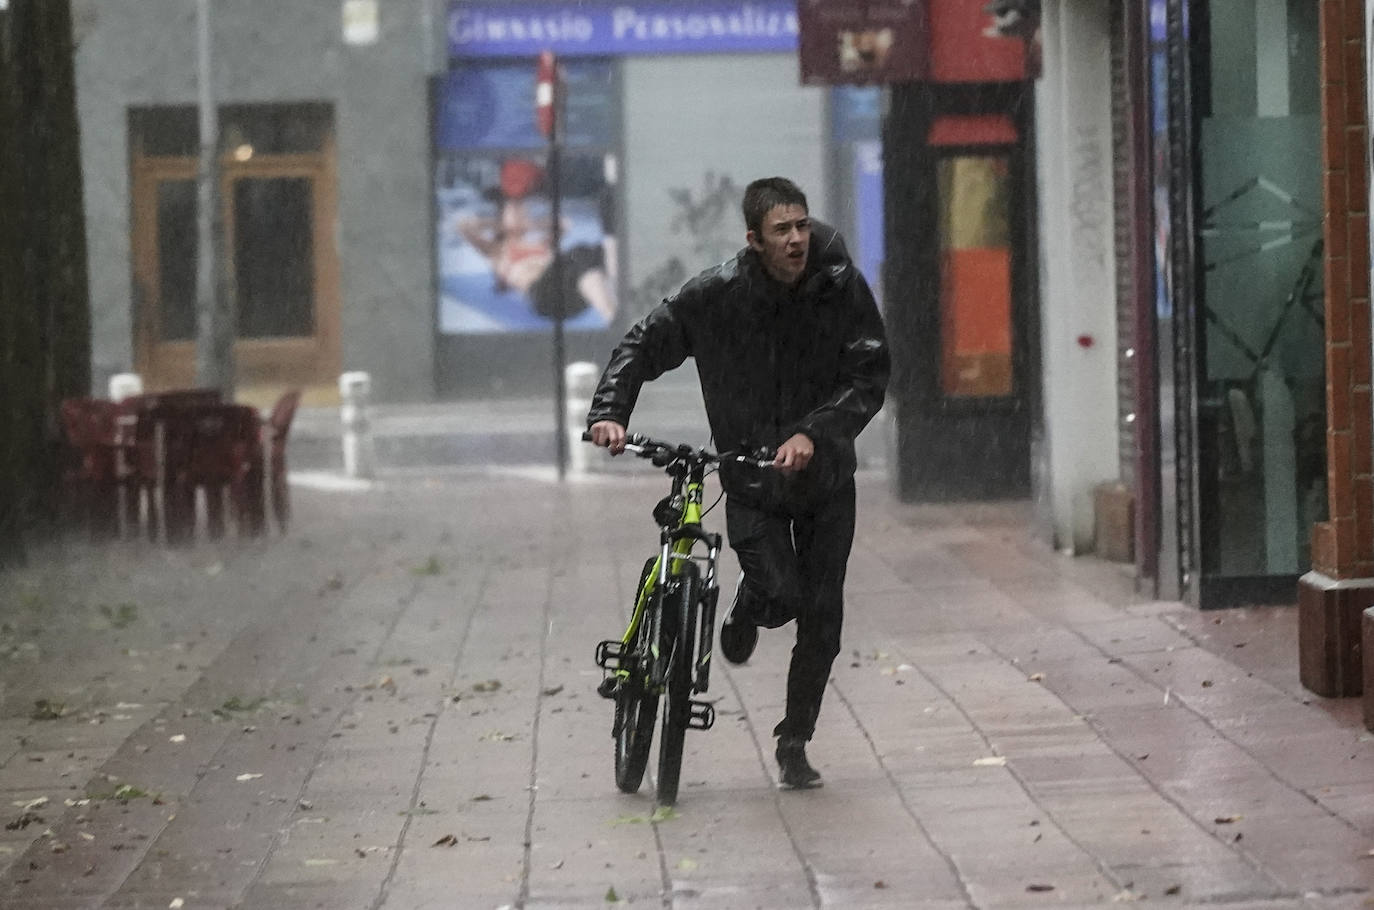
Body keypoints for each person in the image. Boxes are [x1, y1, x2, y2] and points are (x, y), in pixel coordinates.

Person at [585, 177, 889, 790]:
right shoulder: (716, 295)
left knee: (822, 614)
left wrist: (815, 433)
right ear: (754, 240)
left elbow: (869, 373)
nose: (798, 239)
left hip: (826, 478)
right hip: (751, 478)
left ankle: (794, 739)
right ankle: (751, 604)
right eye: (783, 230)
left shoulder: (840, 286)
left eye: (802, 225)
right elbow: (644, 343)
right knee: (781, 593)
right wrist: (610, 411)